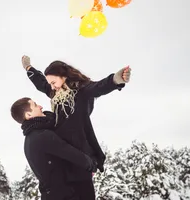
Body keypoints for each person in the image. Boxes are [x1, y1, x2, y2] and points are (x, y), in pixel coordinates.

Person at [21, 55, 131, 199]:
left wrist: (116, 80)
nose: (52, 86)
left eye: (54, 82)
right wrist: (29, 68)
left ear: (63, 76)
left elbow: (99, 87)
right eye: (51, 84)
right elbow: (41, 82)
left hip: (79, 153)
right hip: (64, 154)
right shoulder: (55, 93)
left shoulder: (81, 91)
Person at [10, 97, 98, 200]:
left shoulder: (30, 138)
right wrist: (91, 164)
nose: (40, 106)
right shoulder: (42, 136)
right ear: (28, 115)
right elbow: (71, 153)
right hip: (64, 195)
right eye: (35, 105)